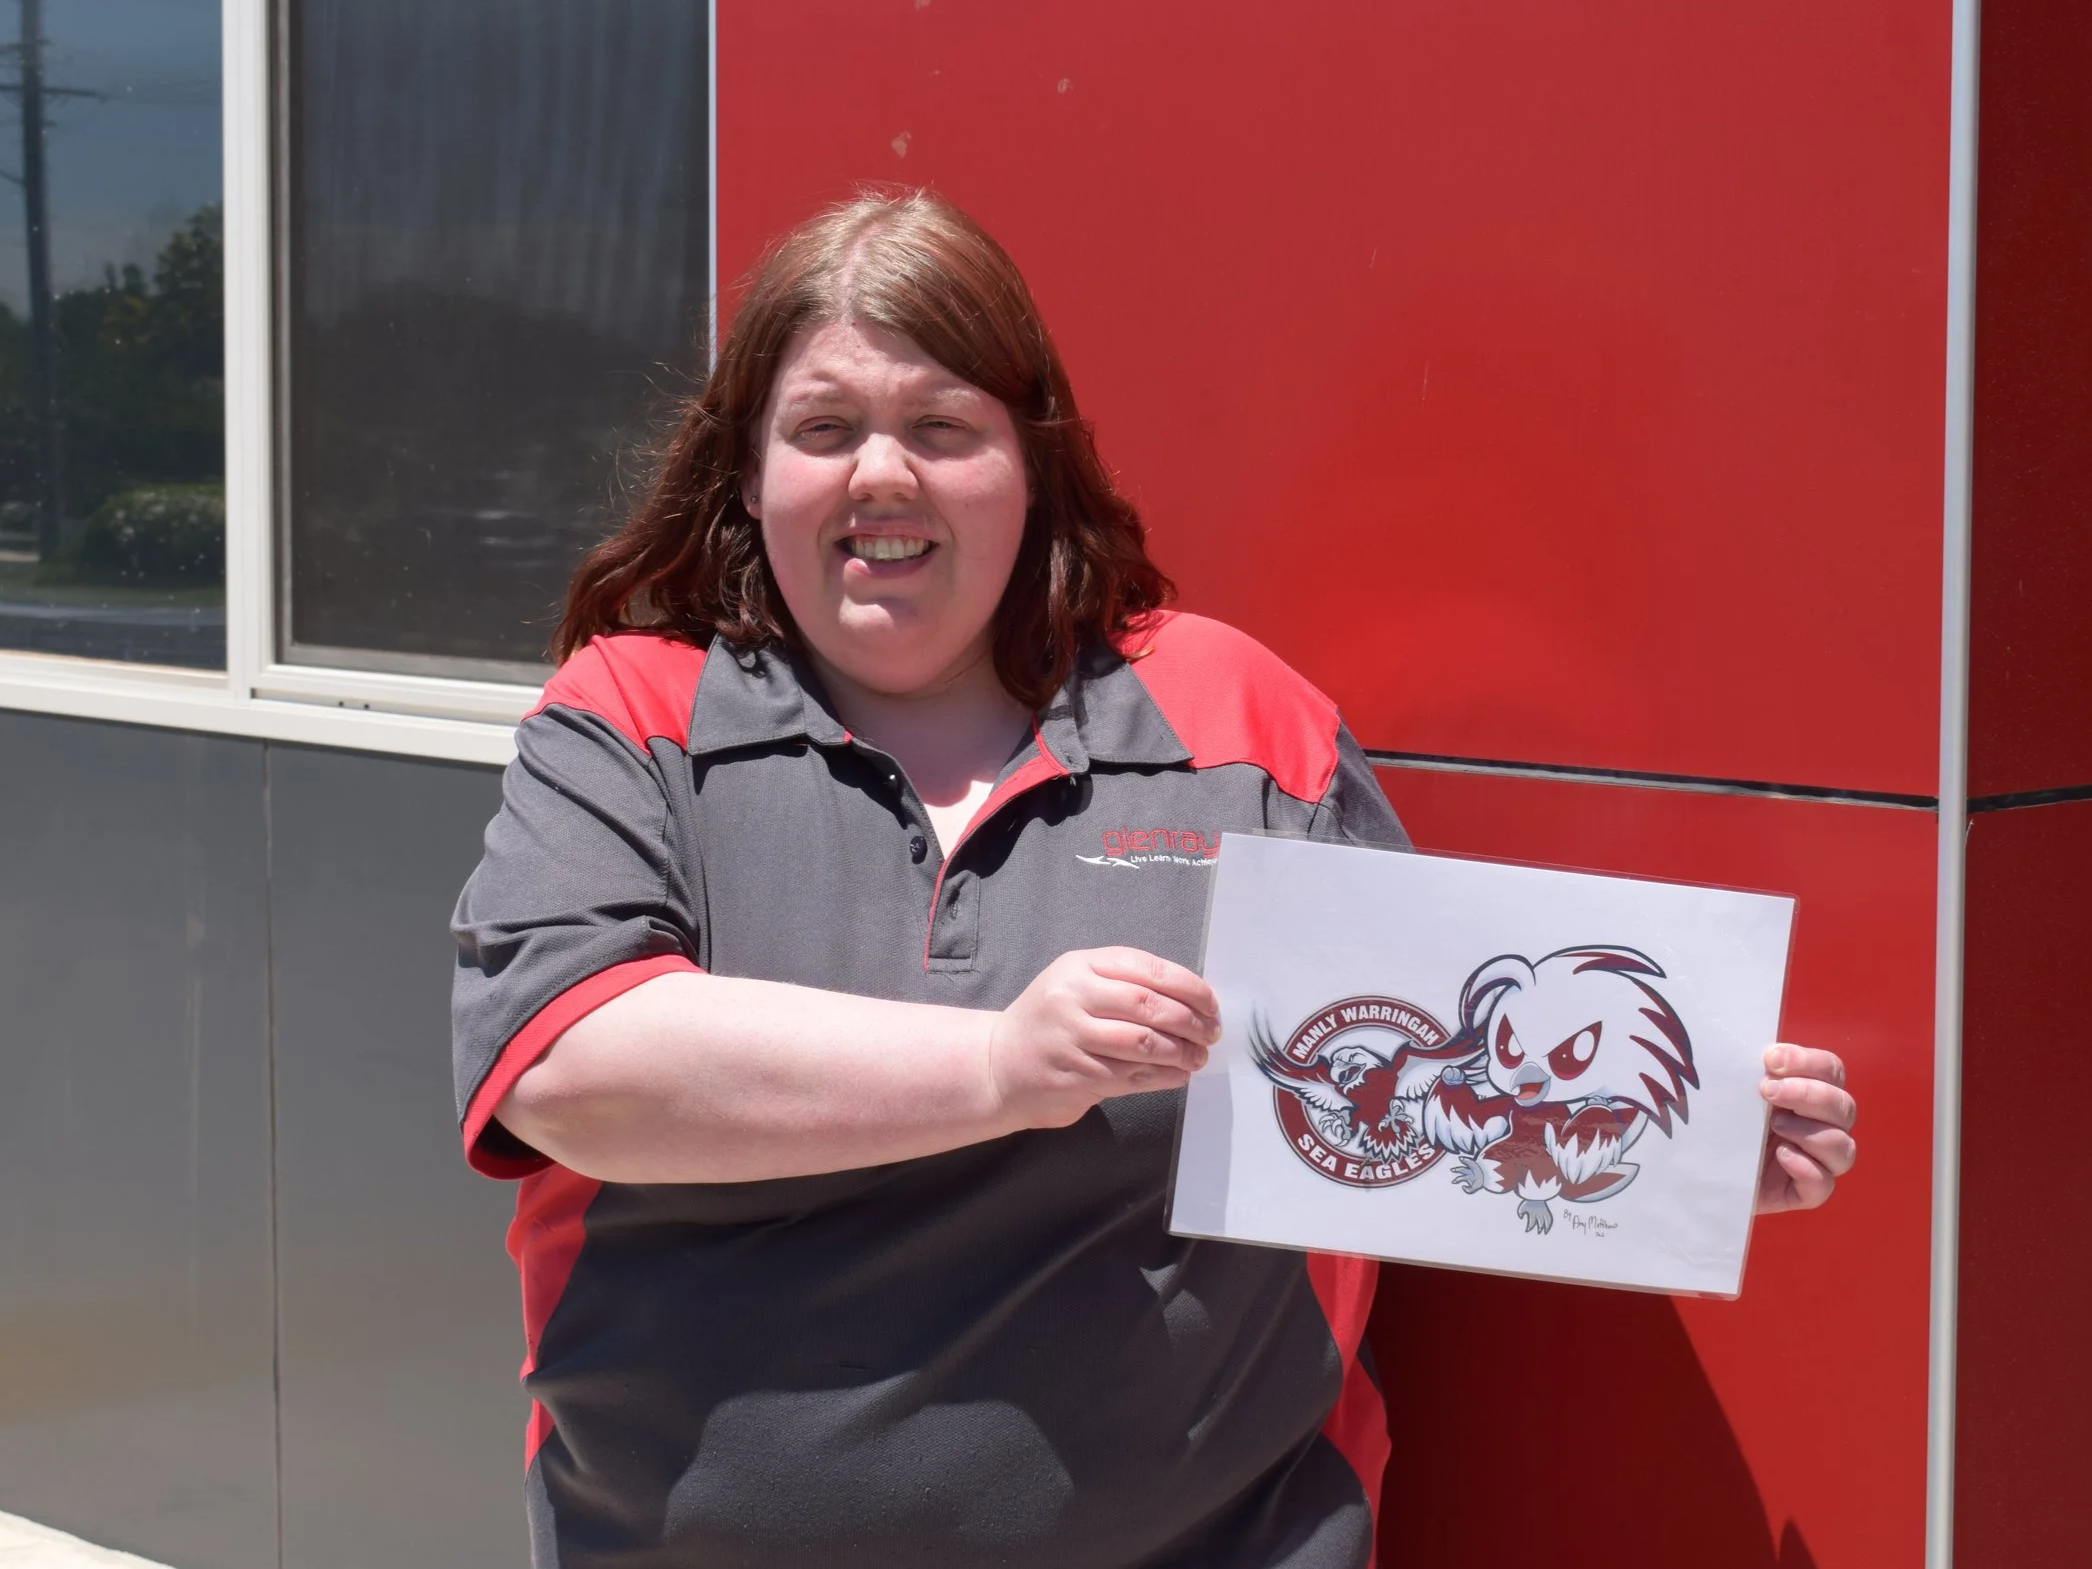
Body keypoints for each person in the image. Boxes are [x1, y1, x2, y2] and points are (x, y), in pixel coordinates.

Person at [450, 190, 1859, 1569]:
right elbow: (568, 1067)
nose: (884, 475)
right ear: (750, 477)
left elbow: (1425, 1087)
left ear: (1032, 466)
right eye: (825, 430)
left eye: (945, 428)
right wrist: (1004, 1065)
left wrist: (1678, 1158)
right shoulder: (630, 713)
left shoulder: (1240, 724)